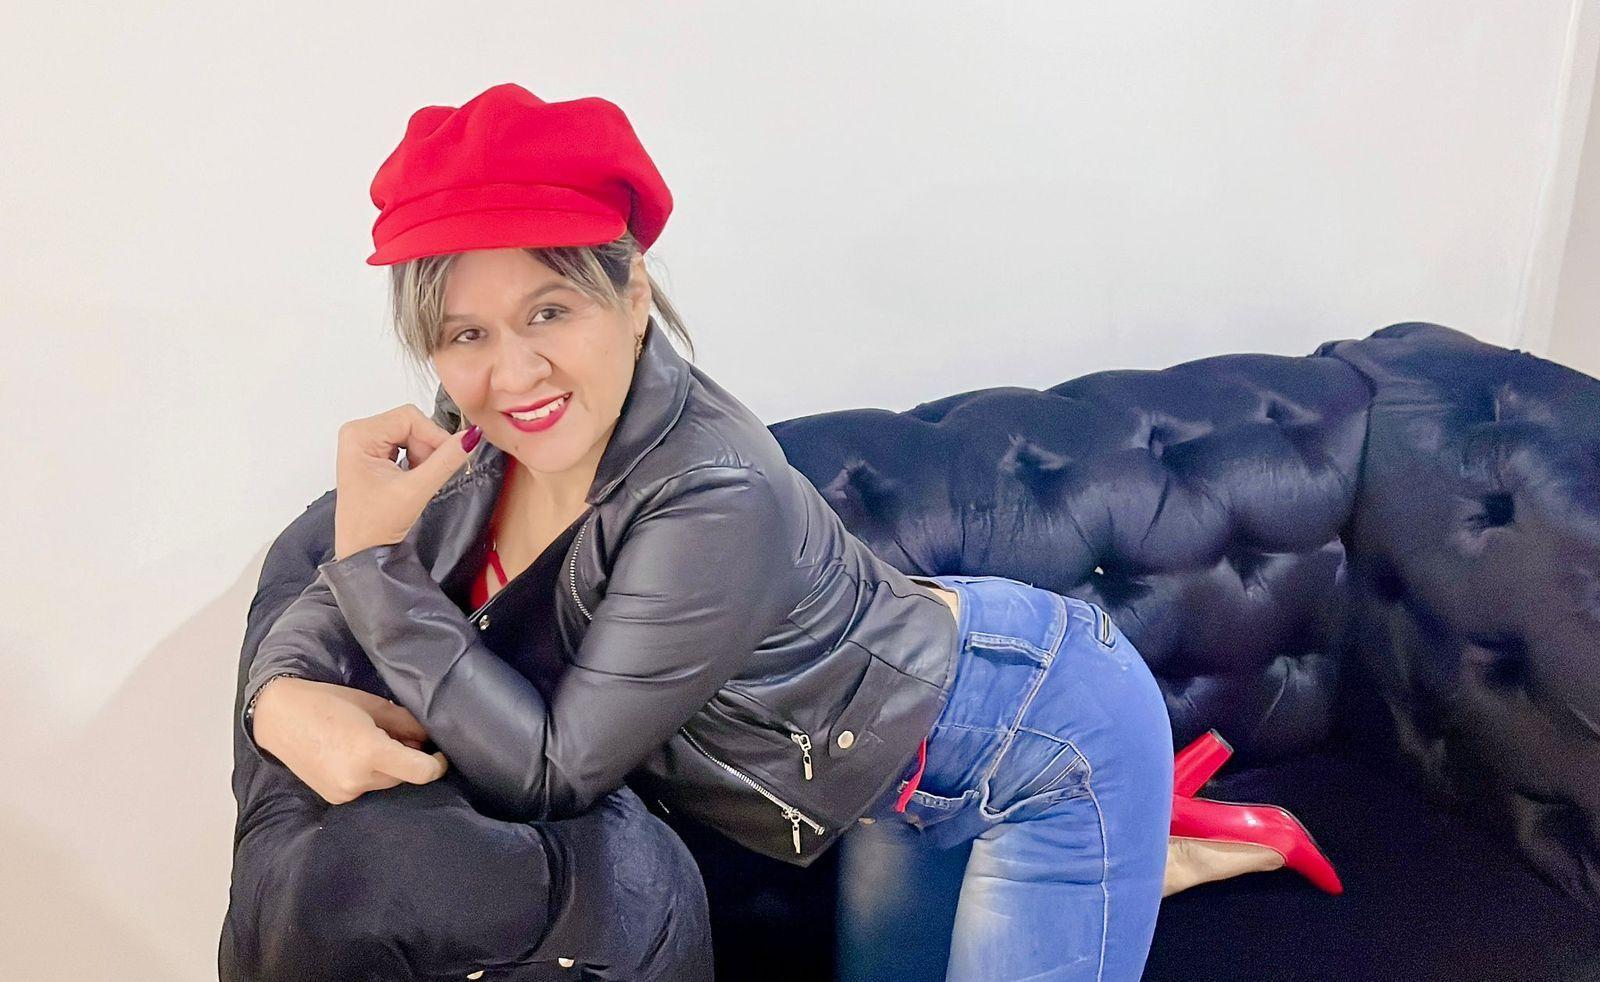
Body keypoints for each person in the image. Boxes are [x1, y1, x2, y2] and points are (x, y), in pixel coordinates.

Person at [228, 81, 1342, 981]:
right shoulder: (480, 438)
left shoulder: (716, 490)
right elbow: (334, 594)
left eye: (549, 311)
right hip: (902, 765)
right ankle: (1148, 852)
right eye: (465, 333)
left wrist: (371, 566)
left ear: (630, 294)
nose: (511, 373)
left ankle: (1133, 834)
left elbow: (554, 766)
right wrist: (279, 696)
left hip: (1049, 736)